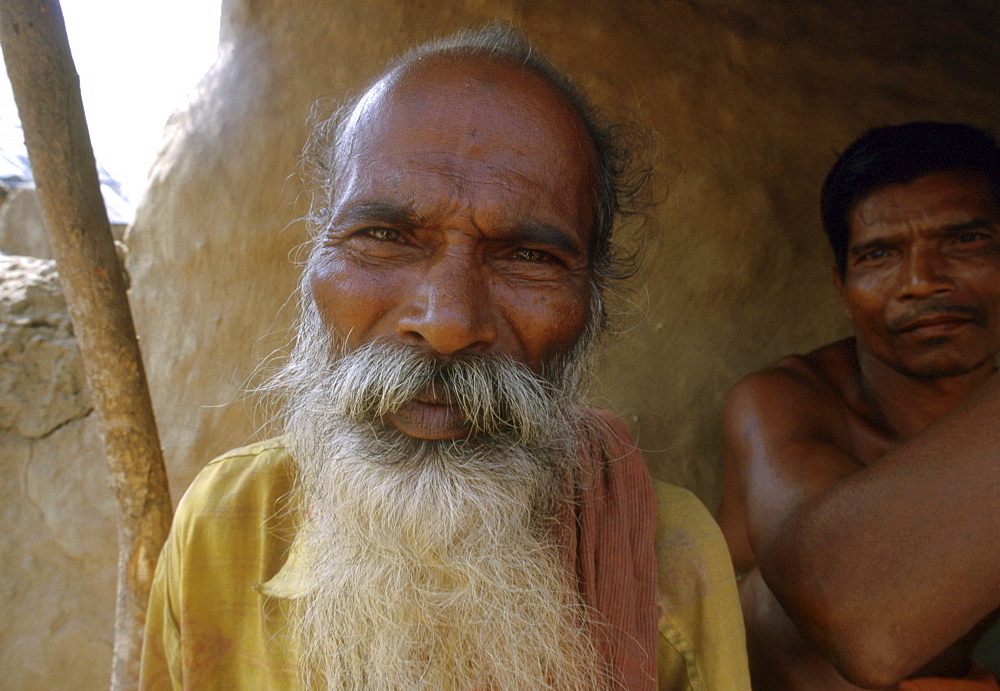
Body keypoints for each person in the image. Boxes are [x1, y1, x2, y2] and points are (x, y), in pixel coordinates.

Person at [139, 25, 750, 690]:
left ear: (591, 304)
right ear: (315, 261)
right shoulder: (224, 527)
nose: (449, 322)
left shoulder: (672, 556)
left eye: (528, 256)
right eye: (384, 236)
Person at [718, 121, 1000, 689]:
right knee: (784, 607)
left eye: (965, 240)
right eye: (879, 254)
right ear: (842, 289)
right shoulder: (788, 400)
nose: (921, 282)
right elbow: (854, 617)